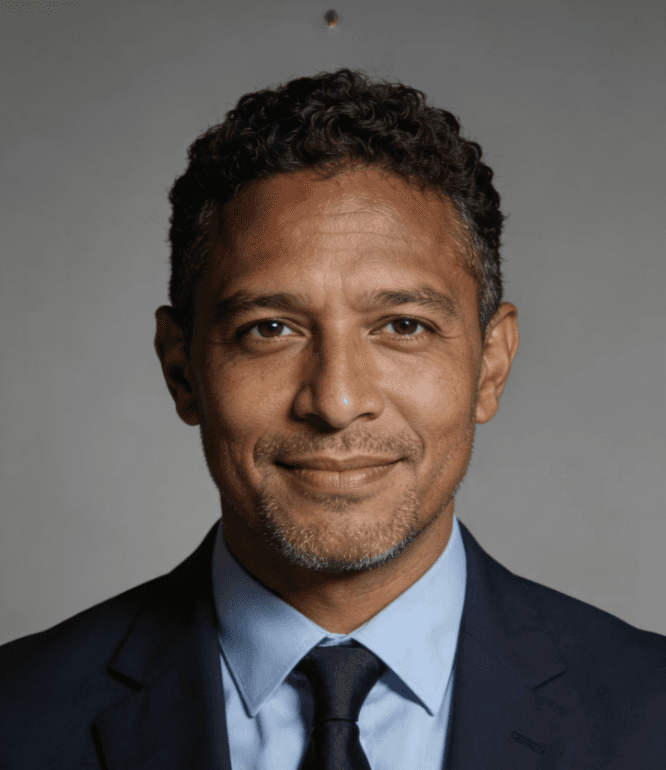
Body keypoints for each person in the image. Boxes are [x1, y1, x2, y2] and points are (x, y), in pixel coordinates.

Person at [1, 68, 664, 770]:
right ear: (181, 368)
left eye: (403, 325)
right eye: (270, 329)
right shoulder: (18, 720)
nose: (337, 401)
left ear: (490, 364)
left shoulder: (649, 713)